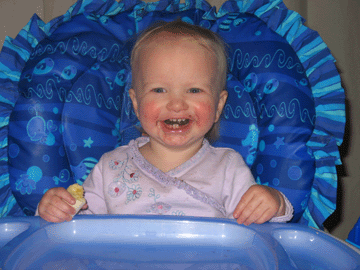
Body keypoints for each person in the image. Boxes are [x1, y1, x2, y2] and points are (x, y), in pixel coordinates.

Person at [37, 20, 293, 224]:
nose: (176, 104)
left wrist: (274, 202)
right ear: (136, 104)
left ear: (218, 106)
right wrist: (56, 210)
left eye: (194, 90)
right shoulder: (110, 168)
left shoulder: (228, 169)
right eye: (159, 90)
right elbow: (80, 231)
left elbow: (260, 229)